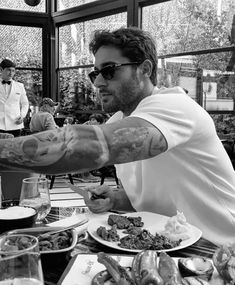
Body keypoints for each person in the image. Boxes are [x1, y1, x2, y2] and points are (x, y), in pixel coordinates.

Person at [0, 28, 234, 245]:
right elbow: (151, 197)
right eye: (96, 74)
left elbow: (88, 145)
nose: (98, 82)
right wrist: (114, 199)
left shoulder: (174, 106)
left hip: (220, 247)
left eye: (109, 70)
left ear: (145, 69)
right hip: (165, 245)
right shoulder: (118, 121)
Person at [0, 59, 29, 137]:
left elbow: (25, 103)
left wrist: (22, 116)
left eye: (13, 71)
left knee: (14, 148)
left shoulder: (20, 86)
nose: (11, 73)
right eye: (8, 70)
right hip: (0, 124)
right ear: (1, 69)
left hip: (15, 124)